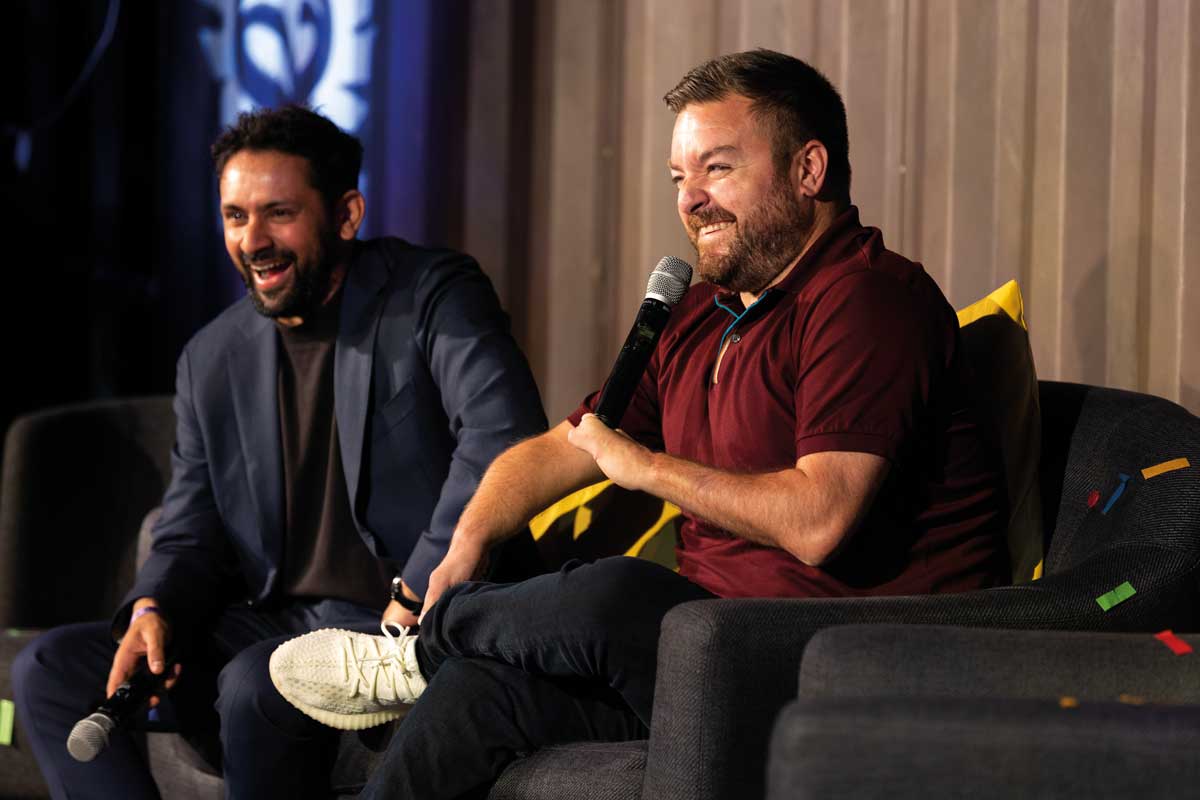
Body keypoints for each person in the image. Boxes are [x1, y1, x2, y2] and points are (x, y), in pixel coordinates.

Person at [270, 50, 1011, 798]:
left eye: (717, 169)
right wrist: (465, 544)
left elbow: (820, 519)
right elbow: (564, 448)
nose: (691, 200)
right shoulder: (699, 315)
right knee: (472, 699)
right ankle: (437, 651)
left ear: (808, 170)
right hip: (699, 657)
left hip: (825, 654)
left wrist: (648, 468)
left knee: (615, 595)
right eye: (678, 180)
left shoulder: (867, 300)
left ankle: (421, 651)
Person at [11, 106, 547, 799]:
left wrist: (418, 585)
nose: (253, 240)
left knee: (254, 680)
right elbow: (189, 525)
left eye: (278, 214)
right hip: (278, 619)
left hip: (410, 615)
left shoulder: (433, 295)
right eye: (235, 216)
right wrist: (153, 610)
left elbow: (501, 436)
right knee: (51, 668)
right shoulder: (211, 357)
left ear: (347, 214)